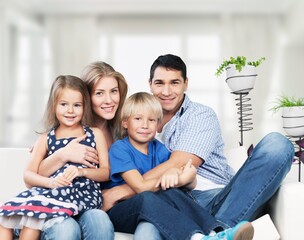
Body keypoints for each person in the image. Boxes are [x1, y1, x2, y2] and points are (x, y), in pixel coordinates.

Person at [102, 54, 294, 239]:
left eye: (174, 82)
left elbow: (178, 164)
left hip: (219, 198)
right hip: (169, 202)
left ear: (186, 83)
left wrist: (123, 191)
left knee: (277, 144)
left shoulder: (200, 115)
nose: (166, 92)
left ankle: (220, 229)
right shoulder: (135, 127)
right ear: (150, 84)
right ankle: (220, 233)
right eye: (160, 83)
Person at [104, 92, 254, 240]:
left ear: (158, 125)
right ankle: (197, 238)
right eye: (138, 119)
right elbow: (140, 187)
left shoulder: (159, 148)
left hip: (152, 209)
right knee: (148, 196)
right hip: (122, 211)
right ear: (125, 122)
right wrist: (172, 178)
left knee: (173, 193)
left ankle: (215, 235)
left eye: (151, 120)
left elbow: (179, 175)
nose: (145, 125)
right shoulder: (120, 149)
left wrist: (175, 173)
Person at [0, 75, 110, 240]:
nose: (70, 111)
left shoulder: (95, 134)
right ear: (54, 106)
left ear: (85, 106)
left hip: (83, 197)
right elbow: (28, 175)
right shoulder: (46, 138)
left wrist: (82, 172)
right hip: (52, 195)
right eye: (64, 104)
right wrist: (50, 182)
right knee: (10, 216)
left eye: (77, 105)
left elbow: (105, 172)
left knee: (98, 221)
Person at [33, 62, 128, 240]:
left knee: (99, 222)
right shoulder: (58, 134)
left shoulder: (126, 130)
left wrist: (117, 192)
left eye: (114, 91)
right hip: (60, 199)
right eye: (100, 93)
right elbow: (34, 174)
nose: (109, 100)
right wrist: (63, 154)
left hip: (94, 204)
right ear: (86, 97)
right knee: (65, 229)